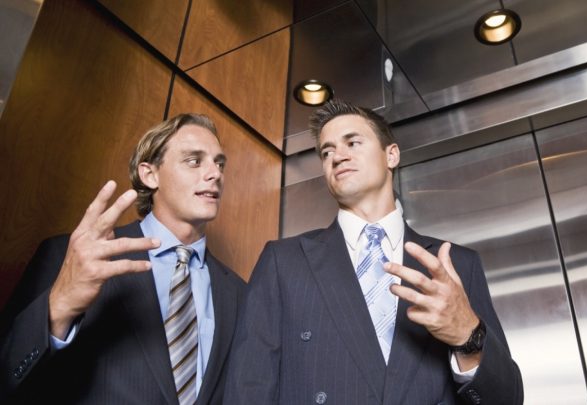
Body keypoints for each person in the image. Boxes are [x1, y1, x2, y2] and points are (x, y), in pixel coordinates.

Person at [224, 100, 523, 404]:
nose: (338, 156)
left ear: (391, 155)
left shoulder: (455, 264)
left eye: (352, 142)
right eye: (327, 152)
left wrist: (467, 336)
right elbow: (249, 387)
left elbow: (507, 399)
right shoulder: (284, 261)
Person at [0, 113, 245, 404]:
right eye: (194, 160)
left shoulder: (241, 293)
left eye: (219, 163)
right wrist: (59, 305)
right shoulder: (74, 256)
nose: (215, 173)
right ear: (149, 174)